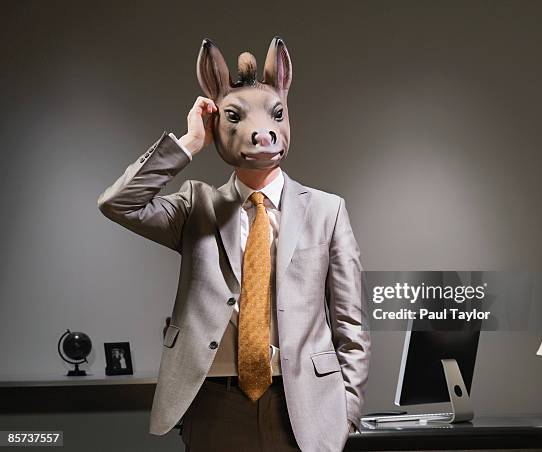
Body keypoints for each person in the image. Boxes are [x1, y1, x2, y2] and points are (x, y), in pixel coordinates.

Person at [97, 37, 370, 452]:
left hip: (305, 408)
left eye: (275, 115)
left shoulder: (327, 211)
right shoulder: (195, 206)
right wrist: (187, 144)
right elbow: (119, 203)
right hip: (213, 404)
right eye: (235, 117)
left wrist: (346, 413)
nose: (261, 132)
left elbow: (350, 324)